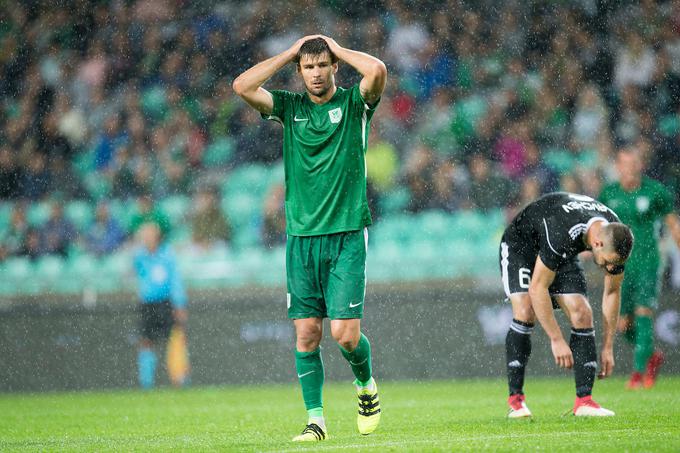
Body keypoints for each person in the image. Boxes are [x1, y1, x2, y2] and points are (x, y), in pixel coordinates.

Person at [233, 35, 386, 441]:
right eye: (308, 67)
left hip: (347, 233)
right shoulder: (290, 108)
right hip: (301, 238)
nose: (316, 74)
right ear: (299, 72)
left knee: (345, 335)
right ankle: (315, 420)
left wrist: (335, 47)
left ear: (334, 66)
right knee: (306, 334)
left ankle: (366, 386)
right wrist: (288, 53)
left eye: (323, 65)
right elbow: (242, 87)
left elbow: (377, 71)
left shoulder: (355, 105)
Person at [499, 192, 634, 418]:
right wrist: (556, 339)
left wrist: (608, 346)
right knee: (525, 309)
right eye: (609, 263)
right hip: (522, 247)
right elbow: (537, 288)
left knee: (582, 312)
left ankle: (584, 401)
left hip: (561, 254)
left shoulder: (614, 235)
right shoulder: (562, 229)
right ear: (597, 243)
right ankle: (516, 400)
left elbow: (612, 292)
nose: (611, 269)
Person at [599, 148, 680, 389]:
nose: (629, 167)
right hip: (620, 266)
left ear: (640, 164)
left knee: (644, 313)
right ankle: (652, 355)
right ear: (618, 165)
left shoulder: (655, 191)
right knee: (623, 324)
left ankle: (638, 373)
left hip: (649, 262)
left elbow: (672, 223)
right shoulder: (609, 193)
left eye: (634, 162)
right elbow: (597, 226)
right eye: (625, 163)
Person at [133, 222, 188, 389]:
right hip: (148, 304)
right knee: (146, 341)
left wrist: (179, 304)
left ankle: (180, 379)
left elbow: (175, 281)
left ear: (156, 237)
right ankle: (146, 382)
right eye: (144, 236)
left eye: (149, 236)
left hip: (166, 303)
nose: (146, 239)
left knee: (175, 340)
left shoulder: (167, 256)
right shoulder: (139, 257)